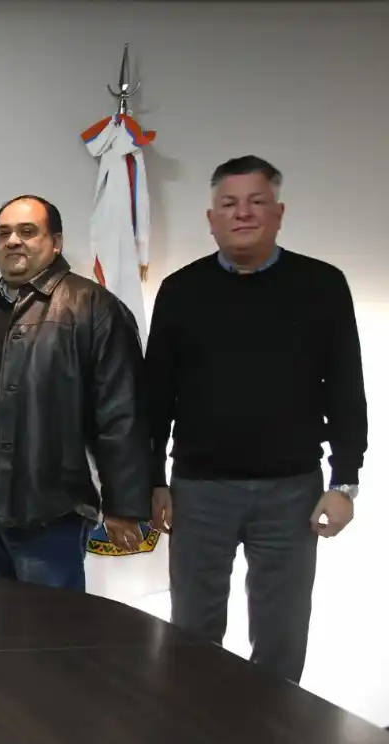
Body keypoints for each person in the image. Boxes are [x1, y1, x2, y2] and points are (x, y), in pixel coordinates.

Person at [146, 156, 367, 684]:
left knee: (282, 639)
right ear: (211, 218)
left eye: (256, 201)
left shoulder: (322, 285)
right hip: (199, 491)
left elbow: (345, 389)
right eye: (229, 203)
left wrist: (345, 483)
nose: (242, 213)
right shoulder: (181, 291)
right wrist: (152, 479)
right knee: (193, 636)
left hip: (291, 491)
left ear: (279, 212)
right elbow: (155, 398)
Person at [0, 195, 149, 590]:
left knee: (49, 637)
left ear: (56, 242)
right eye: (4, 233)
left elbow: (121, 410)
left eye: (28, 231)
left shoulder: (92, 306)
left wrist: (123, 504)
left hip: (47, 508)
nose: (13, 241)